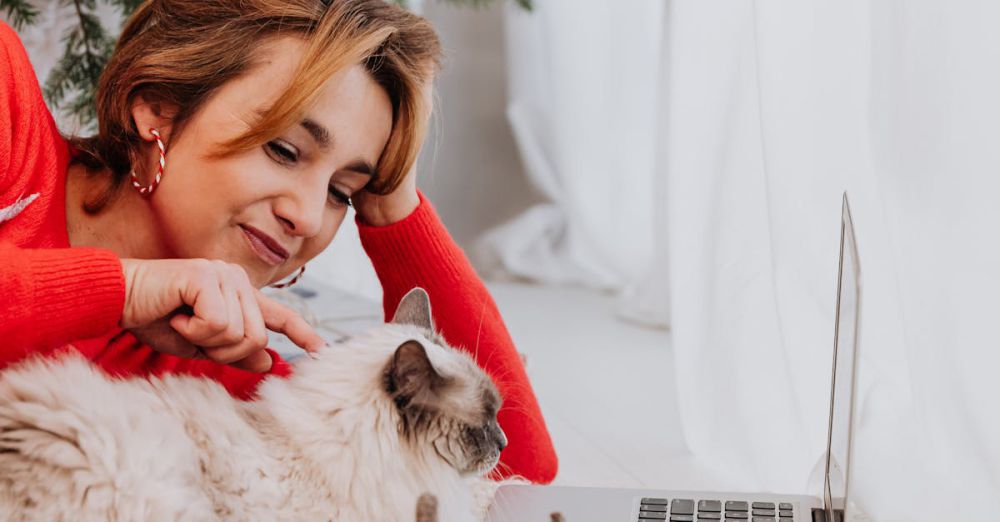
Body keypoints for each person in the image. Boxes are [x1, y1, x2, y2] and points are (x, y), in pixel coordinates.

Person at [0, 0, 556, 483]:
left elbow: (507, 468)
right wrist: (124, 289)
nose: (309, 217)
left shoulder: (223, 365)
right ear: (158, 107)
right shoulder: (8, 106)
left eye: (342, 191)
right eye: (284, 151)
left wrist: (393, 208)